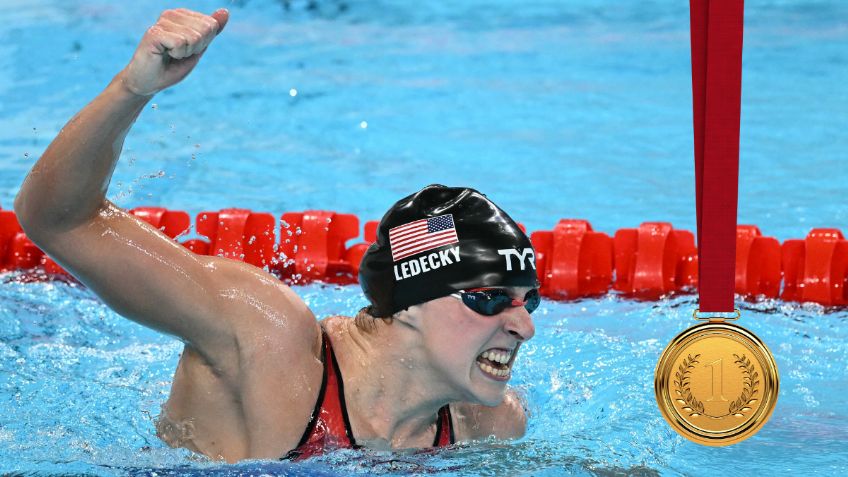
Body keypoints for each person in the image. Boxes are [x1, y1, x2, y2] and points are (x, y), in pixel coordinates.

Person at [13, 7, 539, 463]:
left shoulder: (487, 426)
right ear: (409, 302)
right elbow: (60, 221)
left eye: (527, 301)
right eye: (490, 297)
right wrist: (132, 89)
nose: (523, 326)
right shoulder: (263, 336)